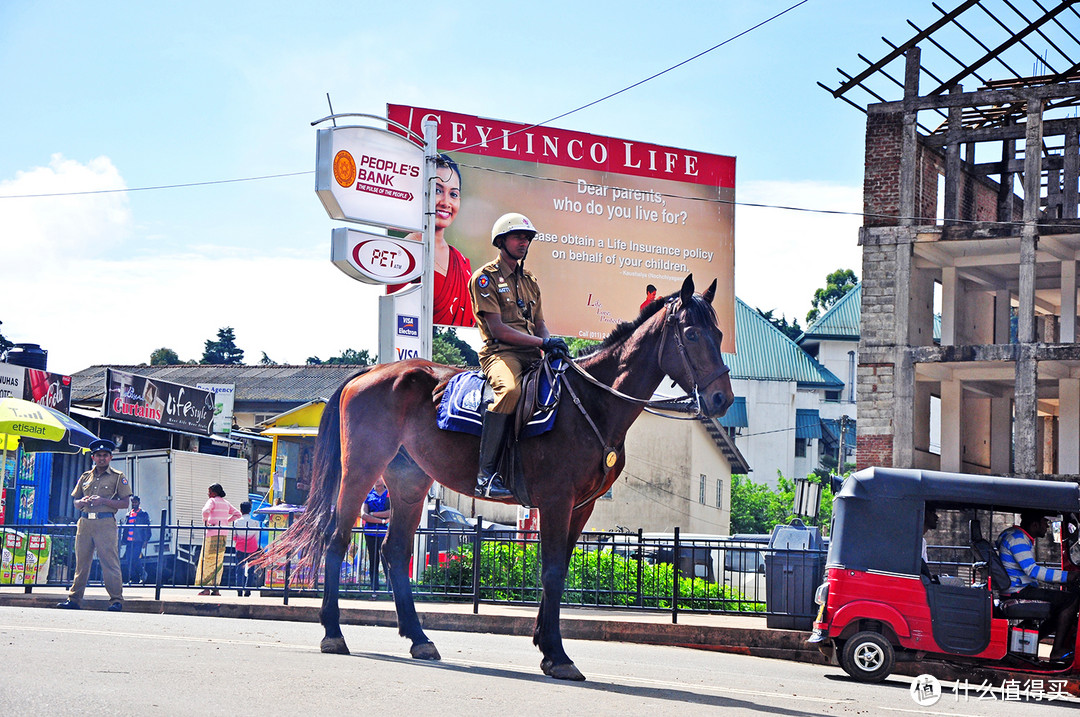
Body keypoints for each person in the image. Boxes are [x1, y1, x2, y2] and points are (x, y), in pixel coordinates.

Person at [468, 212, 569, 499]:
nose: (524, 241)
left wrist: (551, 343)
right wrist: (542, 342)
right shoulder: (485, 279)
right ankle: (485, 475)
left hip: (533, 353)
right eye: (518, 237)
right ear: (501, 241)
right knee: (510, 391)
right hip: (502, 354)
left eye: (527, 238)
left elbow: (540, 324)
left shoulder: (530, 281)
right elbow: (498, 330)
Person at [387, 154, 475, 326]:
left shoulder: (462, 263)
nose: (446, 202)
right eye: (437, 190)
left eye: (453, 194)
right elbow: (396, 317)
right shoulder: (402, 252)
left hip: (456, 350)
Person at [57, 438, 130, 611]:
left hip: (105, 522)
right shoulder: (85, 477)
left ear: (111, 457)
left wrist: (103, 501)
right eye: (98, 455)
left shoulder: (118, 477)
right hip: (85, 522)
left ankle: (116, 601)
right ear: (93, 458)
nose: (102, 458)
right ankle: (74, 599)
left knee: (109, 563)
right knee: (81, 562)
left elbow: (125, 503)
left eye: (105, 455)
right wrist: (81, 501)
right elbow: (75, 501)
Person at [997, 510, 1080, 661]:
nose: (1048, 526)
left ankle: (1026, 642)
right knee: (1070, 601)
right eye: (1045, 522)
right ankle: (1057, 651)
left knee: (1059, 606)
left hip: (1019, 587)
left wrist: (1060, 578)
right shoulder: (1018, 539)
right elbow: (1032, 570)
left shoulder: (1016, 535)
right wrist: (1068, 576)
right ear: (1035, 524)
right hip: (1018, 590)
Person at [196, 483, 240, 596]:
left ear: (214, 493)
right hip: (223, 535)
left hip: (212, 534)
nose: (208, 494)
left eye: (210, 492)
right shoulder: (226, 503)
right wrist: (225, 522)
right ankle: (216, 589)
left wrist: (206, 523)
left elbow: (205, 511)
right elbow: (237, 514)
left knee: (207, 560)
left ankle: (206, 588)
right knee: (218, 561)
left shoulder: (212, 501)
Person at [360, 477, 391, 591]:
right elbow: (364, 515)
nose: (377, 479)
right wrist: (382, 520)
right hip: (370, 532)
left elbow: (391, 512)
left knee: (386, 559)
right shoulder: (368, 494)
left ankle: (390, 589)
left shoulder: (389, 494)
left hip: (384, 533)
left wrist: (373, 514)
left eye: (380, 477)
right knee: (373, 560)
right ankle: (374, 589)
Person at [231, 501, 261, 597]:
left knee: (239, 570)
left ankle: (239, 590)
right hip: (252, 548)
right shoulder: (255, 523)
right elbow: (257, 537)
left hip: (240, 548)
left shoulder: (236, 522)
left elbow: (234, 536)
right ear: (250, 510)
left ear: (240, 510)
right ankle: (248, 590)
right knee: (251, 570)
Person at [121, 495, 151, 584]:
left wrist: (146, 540)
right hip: (129, 541)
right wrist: (123, 540)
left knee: (135, 558)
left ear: (139, 503)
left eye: (135, 502)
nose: (134, 504)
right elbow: (126, 529)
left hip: (138, 541)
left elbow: (147, 528)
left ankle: (142, 573)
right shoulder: (129, 514)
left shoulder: (143, 514)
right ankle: (133, 579)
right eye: (133, 502)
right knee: (129, 560)